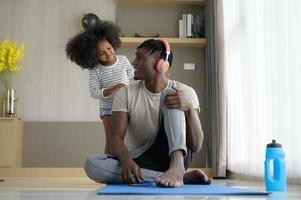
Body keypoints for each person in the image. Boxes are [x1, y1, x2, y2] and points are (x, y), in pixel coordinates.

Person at [84, 39, 211, 187]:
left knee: (171, 94)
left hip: (174, 157)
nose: (133, 62)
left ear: (161, 64)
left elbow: (196, 146)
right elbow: (115, 138)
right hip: (142, 159)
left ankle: (176, 168)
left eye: (140, 57)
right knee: (92, 164)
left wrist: (189, 109)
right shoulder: (125, 92)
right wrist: (126, 161)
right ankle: (181, 177)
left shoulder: (185, 92)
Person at [65, 21, 134, 154]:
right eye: (101, 53)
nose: (108, 54)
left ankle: (122, 166)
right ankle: (106, 167)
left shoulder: (124, 60)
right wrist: (110, 90)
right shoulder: (95, 69)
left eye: (109, 48)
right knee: (110, 139)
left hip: (126, 105)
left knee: (124, 140)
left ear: (112, 43)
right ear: (92, 56)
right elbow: (94, 92)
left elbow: (133, 78)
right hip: (107, 108)